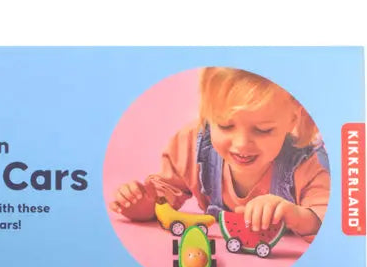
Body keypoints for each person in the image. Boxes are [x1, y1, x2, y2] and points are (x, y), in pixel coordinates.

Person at [109, 67, 330, 240]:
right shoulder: (192, 146)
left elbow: (327, 219)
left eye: (263, 130)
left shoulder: (307, 162)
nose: (242, 144)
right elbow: (163, 195)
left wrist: (297, 217)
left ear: (293, 118)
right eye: (225, 126)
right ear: (208, 114)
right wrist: (141, 204)